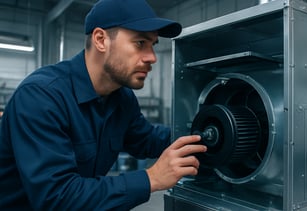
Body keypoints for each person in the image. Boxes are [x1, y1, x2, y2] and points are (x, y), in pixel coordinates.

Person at [0, 0, 207, 210]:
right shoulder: (41, 97)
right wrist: (151, 178)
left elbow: (147, 139)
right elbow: (56, 198)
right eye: (140, 43)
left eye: (153, 45)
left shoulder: (121, 97)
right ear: (101, 40)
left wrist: (203, 135)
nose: (152, 58)